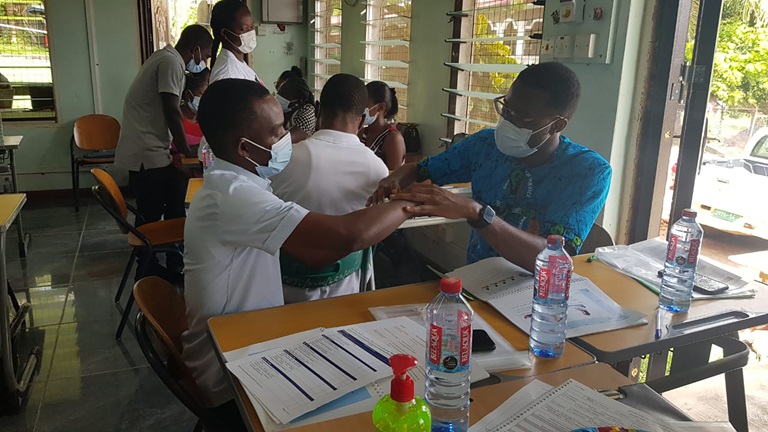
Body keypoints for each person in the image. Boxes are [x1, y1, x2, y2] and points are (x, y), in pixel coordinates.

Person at [181, 78, 421, 425]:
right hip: (228, 371)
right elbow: (343, 237)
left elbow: (324, 247)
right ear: (245, 148)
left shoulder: (243, 183)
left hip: (252, 338)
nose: (289, 138)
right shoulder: (233, 196)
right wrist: (410, 203)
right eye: (278, 133)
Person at [369, 62, 612, 273]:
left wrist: (477, 213)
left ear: (557, 125)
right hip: (478, 282)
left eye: (522, 118)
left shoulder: (587, 172)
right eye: (506, 109)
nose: (508, 122)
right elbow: (422, 170)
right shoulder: (485, 145)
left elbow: (556, 260)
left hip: (537, 295)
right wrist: (396, 177)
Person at [271, 73, 389, 303]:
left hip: (282, 290)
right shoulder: (378, 170)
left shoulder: (283, 159)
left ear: (317, 108)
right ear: (363, 119)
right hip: (347, 290)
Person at [115, 24, 212, 229]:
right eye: (204, 56)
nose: (202, 62)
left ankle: (170, 253)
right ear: (194, 49)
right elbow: (171, 109)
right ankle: (148, 258)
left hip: (150, 148)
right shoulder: (171, 62)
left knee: (175, 197)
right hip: (147, 151)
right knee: (151, 212)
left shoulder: (164, 57)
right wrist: (185, 149)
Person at [208, 0, 264, 86]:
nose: (250, 32)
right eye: (244, 29)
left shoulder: (239, 62)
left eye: (252, 26)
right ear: (225, 34)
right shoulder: (227, 74)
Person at [361, 81, 406, 170]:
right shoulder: (362, 133)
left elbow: (392, 178)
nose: (361, 109)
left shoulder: (393, 138)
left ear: (381, 107)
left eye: (365, 106)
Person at [276, 77, 316, 142]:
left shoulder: (308, 112)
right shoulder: (284, 110)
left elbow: (287, 140)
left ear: (298, 102)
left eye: (285, 96)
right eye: (279, 93)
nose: (279, 97)